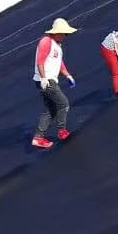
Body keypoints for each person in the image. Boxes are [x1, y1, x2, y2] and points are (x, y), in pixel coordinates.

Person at [33, 17, 78, 150]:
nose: (65, 36)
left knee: (51, 110)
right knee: (63, 104)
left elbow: (60, 63)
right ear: (56, 32)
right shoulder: (46, 41)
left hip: (49, 79)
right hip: (46, 80)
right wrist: (43, 78)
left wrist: (67, 75)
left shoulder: (57, 46)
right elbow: (40, 61)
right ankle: (62, 132)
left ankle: (38, 138)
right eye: (63, 33)